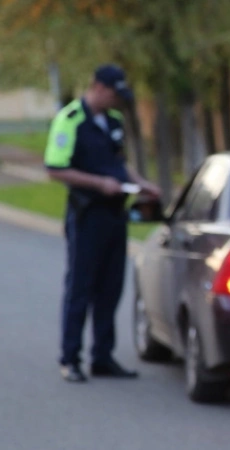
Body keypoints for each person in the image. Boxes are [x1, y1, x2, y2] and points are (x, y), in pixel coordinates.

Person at [44, 64, 161, 383]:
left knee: (110, 287)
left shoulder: (113, 121)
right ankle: (70, 358)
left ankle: (102, 356)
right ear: (97, 87)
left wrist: (141, 183)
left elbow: (119, 164)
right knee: (81, 287)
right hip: (87, 214)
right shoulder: (70, 120)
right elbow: (55, 168)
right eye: (113, 93)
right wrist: (98, 183)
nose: (117, 101)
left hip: (114, 213)